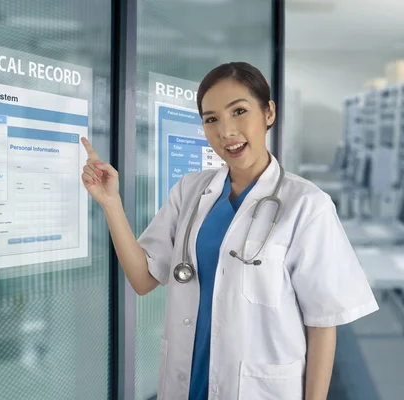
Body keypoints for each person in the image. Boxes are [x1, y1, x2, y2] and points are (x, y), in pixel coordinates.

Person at [81, 62, 378, 400]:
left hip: (260, 388)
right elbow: (142, 278)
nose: (226, 131)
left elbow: (323, 323)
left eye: (239, 111)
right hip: (187, 384)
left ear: (269, 112)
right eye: (211, 119)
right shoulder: (189, 191)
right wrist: (110, 203)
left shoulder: (307, 204)